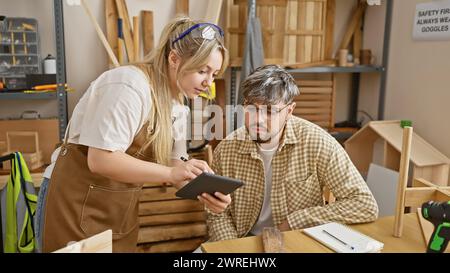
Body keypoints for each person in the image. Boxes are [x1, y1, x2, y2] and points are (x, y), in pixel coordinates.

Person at [36, 16, 231, 253]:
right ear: (174, 58)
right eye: (203, 71)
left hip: (119, 209)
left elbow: (174, 162)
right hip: (74, 203)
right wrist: (171, 172)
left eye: (214, 74)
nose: (208, 83)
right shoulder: (128, 85)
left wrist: (201, 184)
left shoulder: (178, 105)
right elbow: (101, 159)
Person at [206, 65, 378, 241]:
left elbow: (364, 203)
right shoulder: (226, 150)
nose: (258, 119)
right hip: (244, 239)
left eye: (270, 110)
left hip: (298, 238)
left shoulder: (317, 142)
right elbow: (217, 214)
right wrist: (233, 250)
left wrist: (294, 221)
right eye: (251, 108)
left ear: (289, 111)